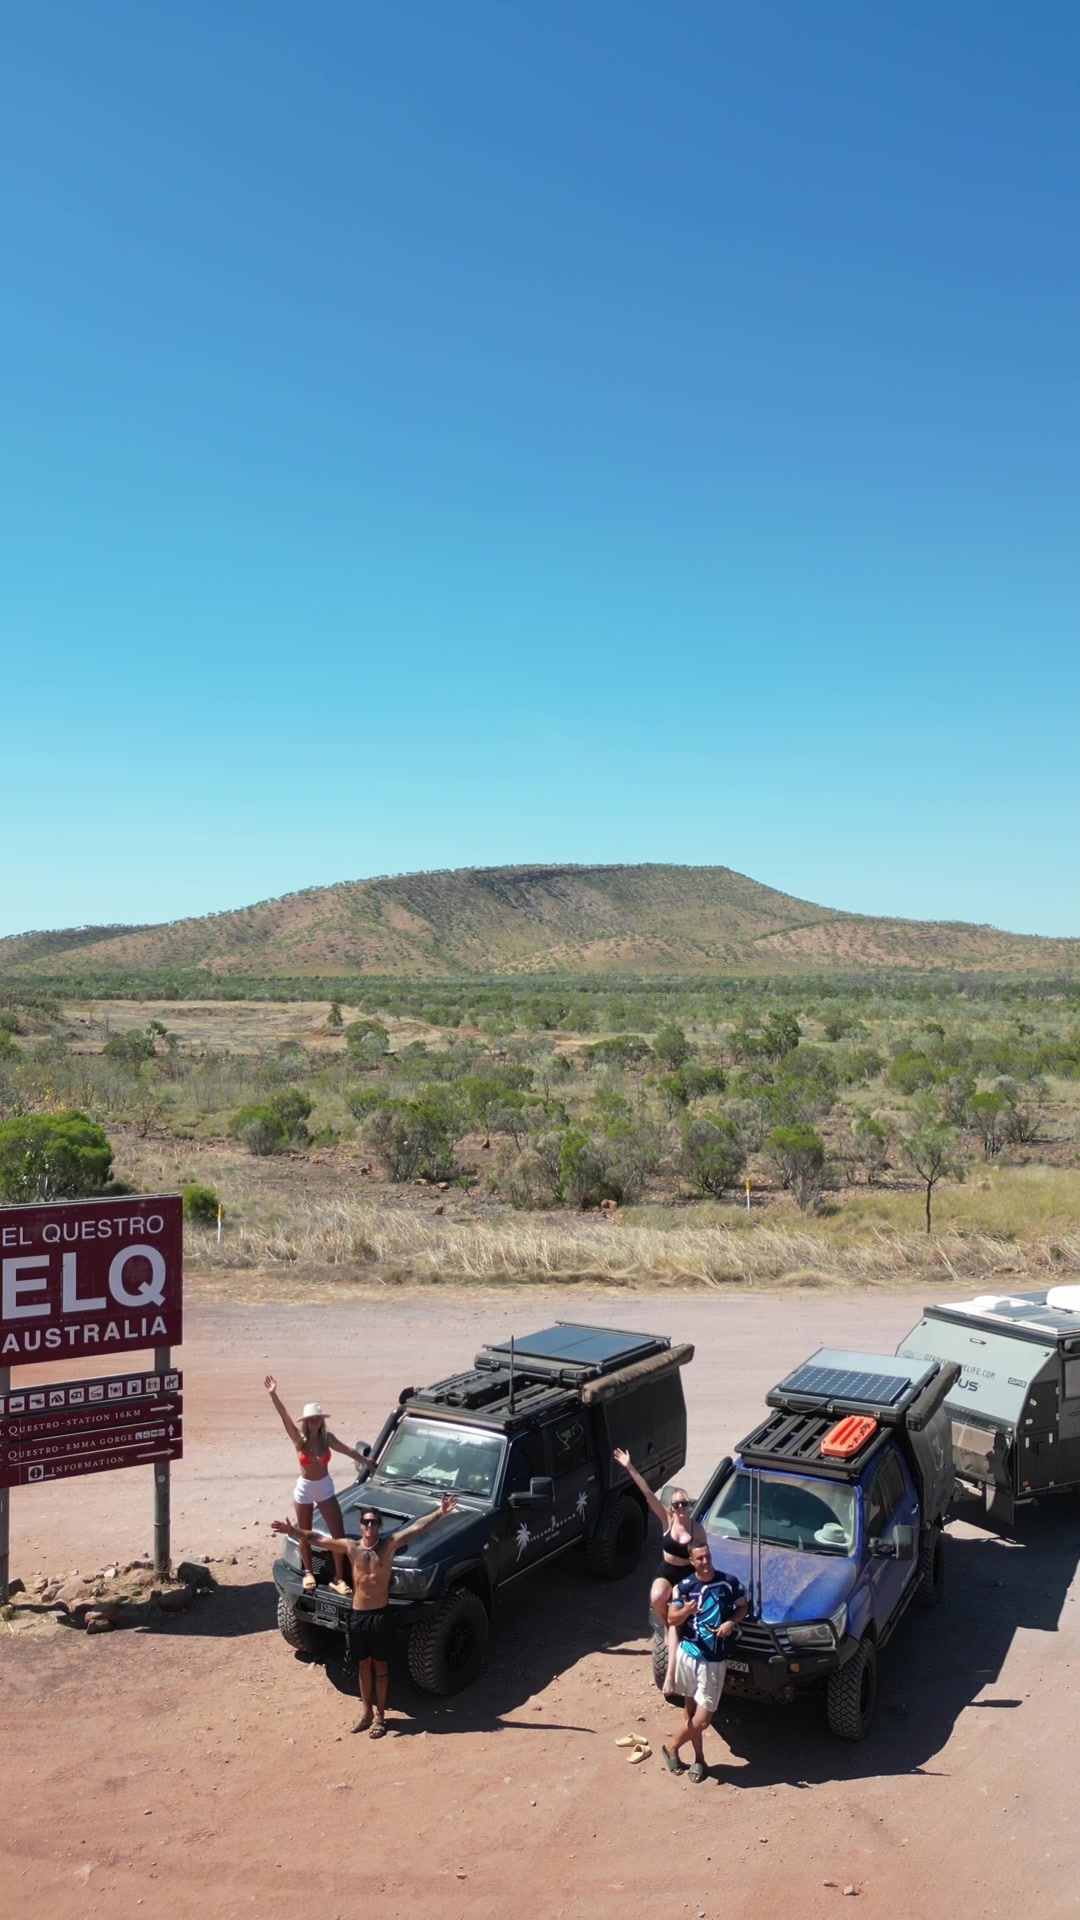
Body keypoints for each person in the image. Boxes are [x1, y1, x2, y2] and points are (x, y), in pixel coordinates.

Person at [273, 1495, 459, 1739]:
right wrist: (293, 1530)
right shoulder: (352, 1548)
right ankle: (366, 1712)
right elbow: (320, 1539)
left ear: (378, 1526)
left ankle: (381, 1716)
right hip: (358, 1615)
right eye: (366, 1523)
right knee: (363, 1666)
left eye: (373, 1523)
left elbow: (417, 1528)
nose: (370, 1527)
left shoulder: (389, 1545)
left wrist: (440, 1513)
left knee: (381, 1666)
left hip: (380, 1616)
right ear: (361, 1526)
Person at [264, 1375, 369, 1596]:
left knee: (337, 1533)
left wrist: (367, 1461)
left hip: (325, 1487)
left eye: (317, 1418)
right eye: (311, 1419)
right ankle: (308, 1572)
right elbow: (285, 1418)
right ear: (306, 1421)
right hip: (305, 1488)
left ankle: (339, 1577)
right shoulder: (298, 1439)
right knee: (305, 1532)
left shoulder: (327, 1438)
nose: (314, 1421)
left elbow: (347, 1450)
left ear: (321, 1420)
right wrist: (274, 1394)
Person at [612, 1447, 705, 1696]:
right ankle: (665, 1625)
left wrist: (707, 1580)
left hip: (686, 1575)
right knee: (656, 1597)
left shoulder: (697, 1530)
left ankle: (671, 1671)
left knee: (676, 1614)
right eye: (678, 1504)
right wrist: (630, 1466)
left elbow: (704, 1559)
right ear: (672, 1507)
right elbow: (646, 1492)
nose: (682, 1508)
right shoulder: (666, 1520)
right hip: (667, 1570)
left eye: (685, 1503)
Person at [662, 1541, 748, 1784]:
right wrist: (686, 1611)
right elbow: (671, 1617)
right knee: (690, 1713)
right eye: (700, 1558)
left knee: (703, 1720)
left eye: (708, 1556)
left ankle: (671, 1747)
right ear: (692, 1562)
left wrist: (732, 1622)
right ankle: (699, 1759)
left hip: (714, 1661)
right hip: (689, 1654)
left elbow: (743, 1607)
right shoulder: (685, 1587)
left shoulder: (728, 1582)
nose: (706, 1561)